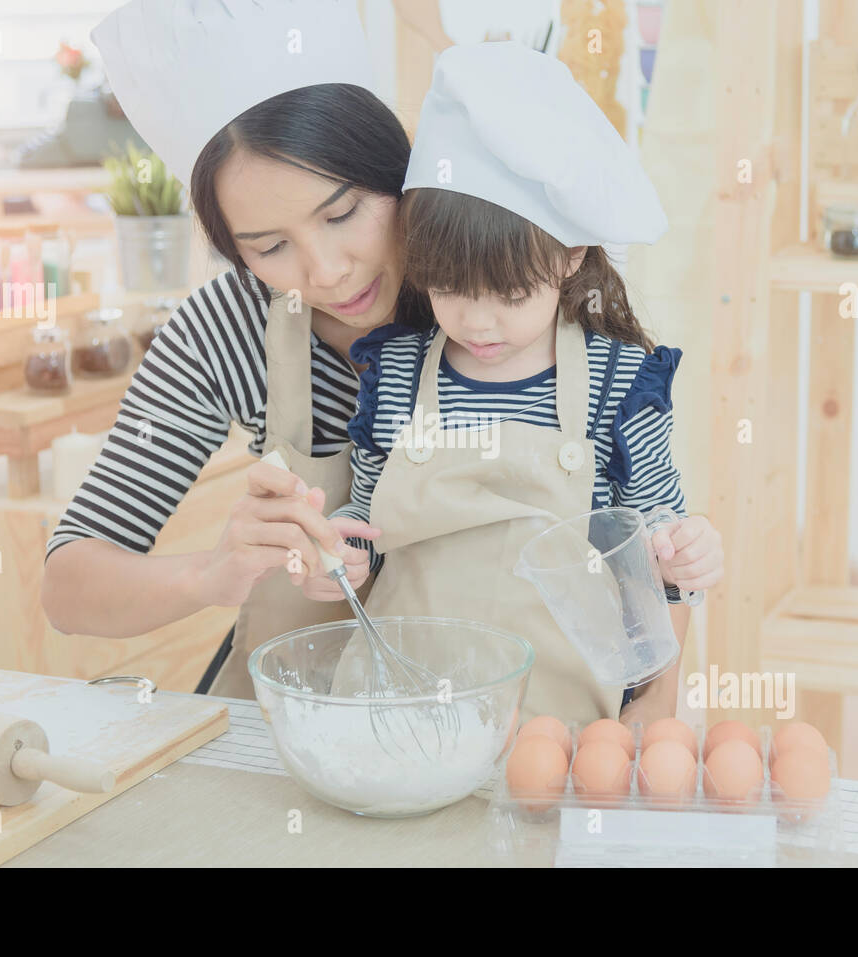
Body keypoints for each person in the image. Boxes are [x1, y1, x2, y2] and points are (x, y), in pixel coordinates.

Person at [313, 42, 725, 724]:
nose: (477, 321)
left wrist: (688, 549)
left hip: (558, 724)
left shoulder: (616, 383)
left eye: (508, 292)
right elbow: (365, 518)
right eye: (448, 287)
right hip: (400, 714)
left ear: (570, 255)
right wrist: (344, 550)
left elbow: (657, 542)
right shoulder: (394, 375)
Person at [41, 0, 432, 698]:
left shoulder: (495, 278)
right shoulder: (225, 330)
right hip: (301, 726)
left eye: (342, 213)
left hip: (500, 710)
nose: (327, 271)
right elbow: (68, 584)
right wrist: (211, 572)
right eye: (270, 247)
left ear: (394, 168)